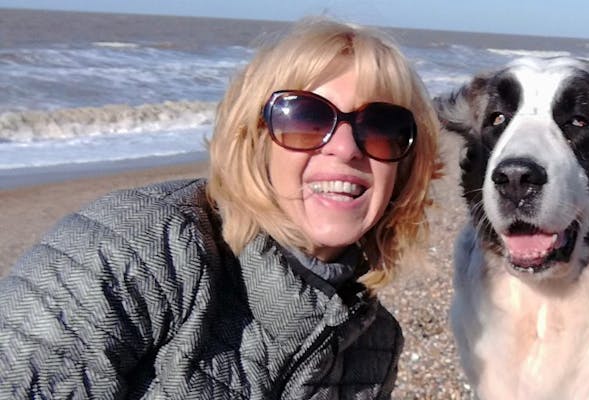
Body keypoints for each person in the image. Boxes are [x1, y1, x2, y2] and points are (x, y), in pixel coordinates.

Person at [0, 17, 440, 398]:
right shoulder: (137, 250)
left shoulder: (373, 344)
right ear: (253, 137)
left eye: (381, 128)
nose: (345, 148)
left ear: (405, 168)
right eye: (306, 118)